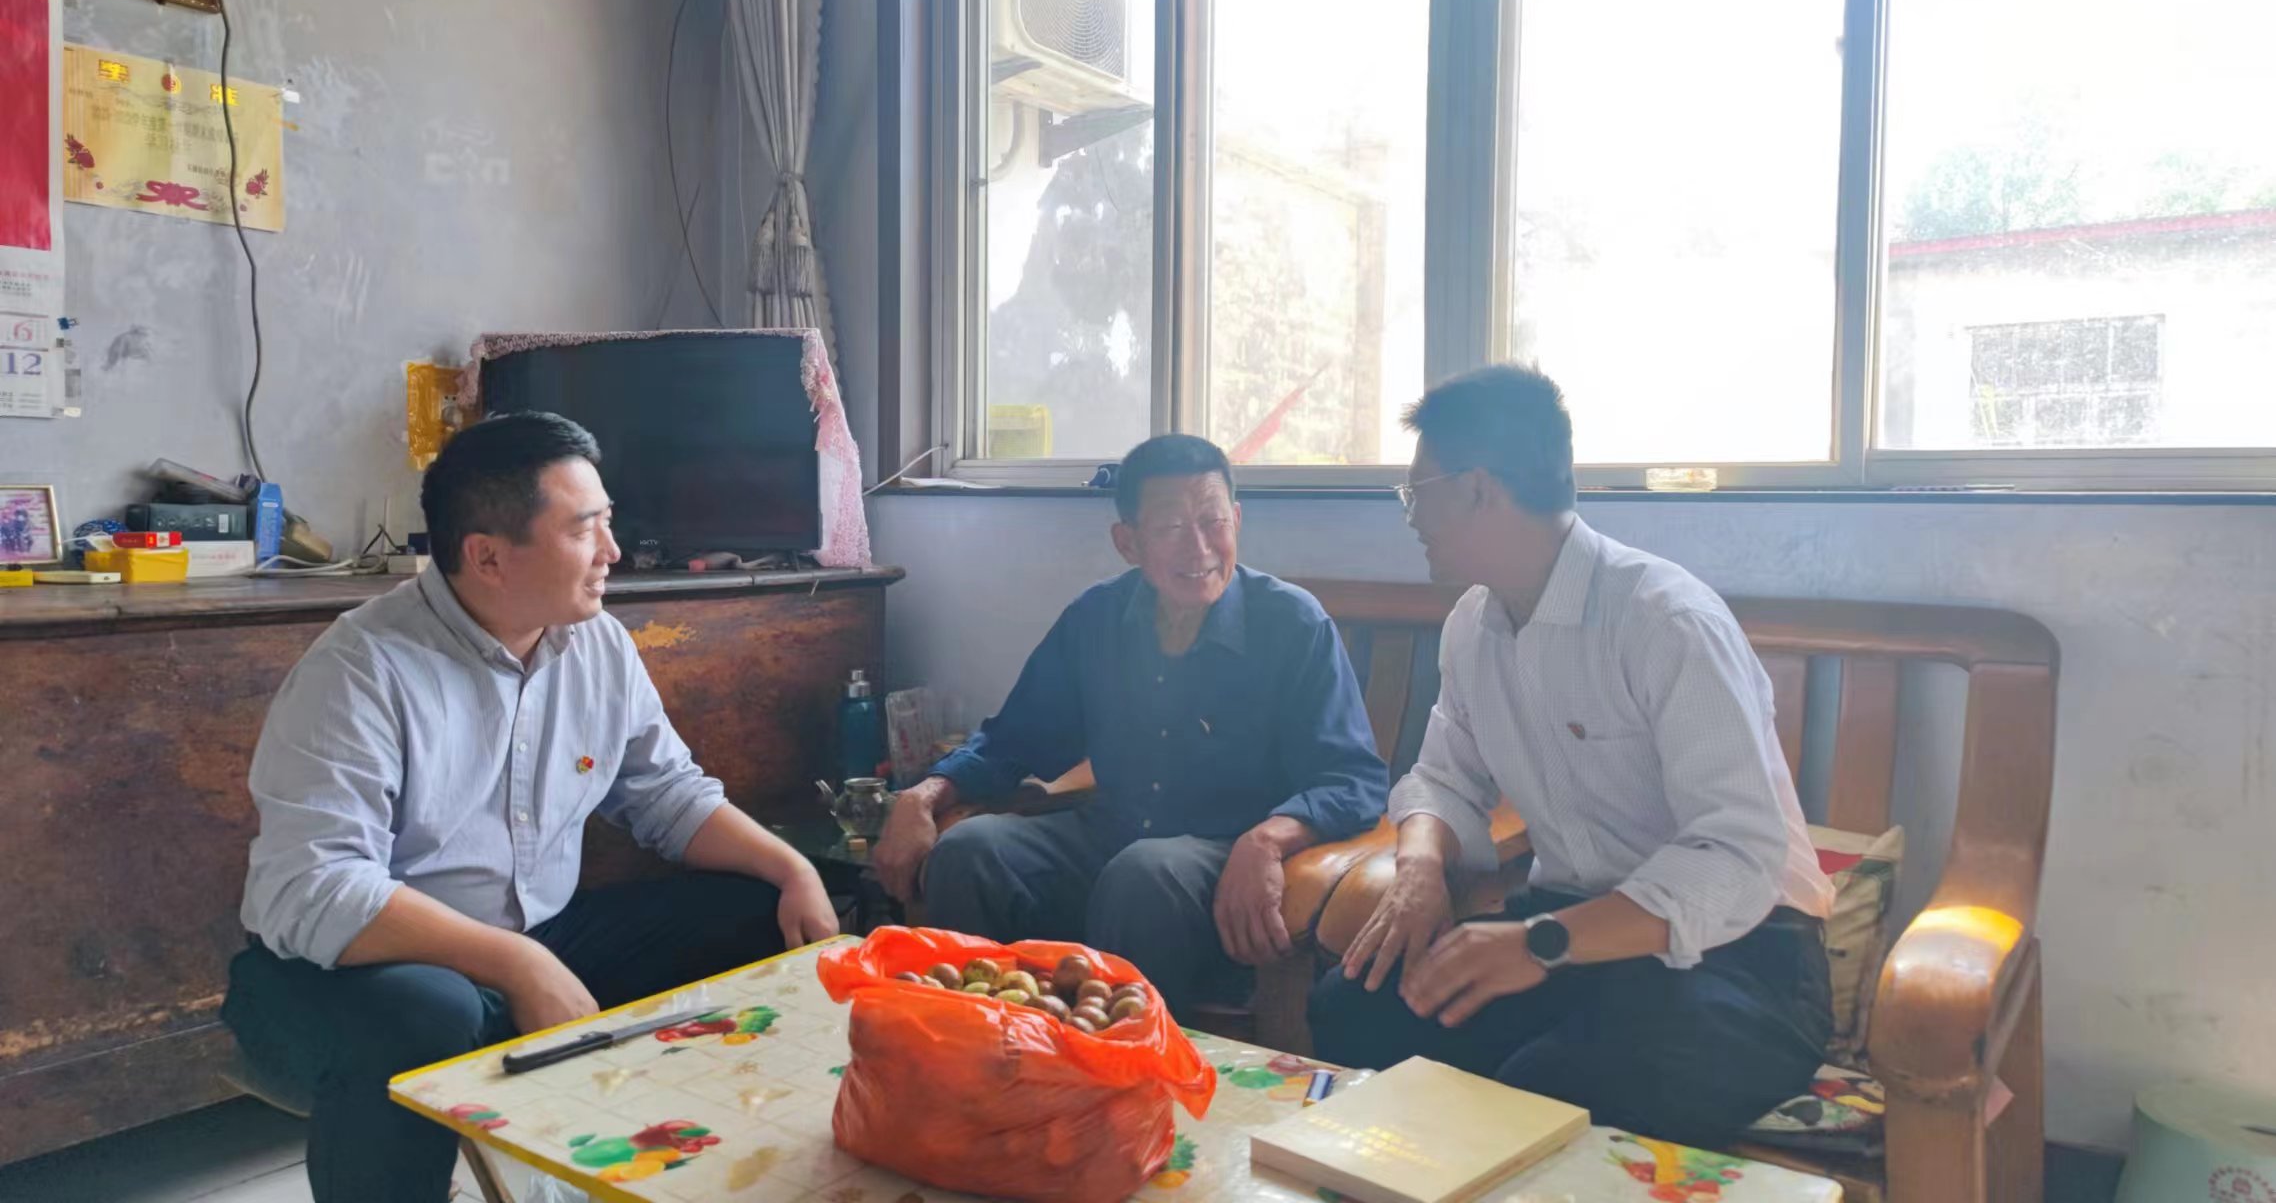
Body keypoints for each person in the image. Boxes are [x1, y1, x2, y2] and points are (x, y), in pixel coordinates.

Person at [222, 413, 839, 1202]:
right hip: (348, 975)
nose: (612, 552)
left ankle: (704, 1176)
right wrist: (519, 963)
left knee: (759, 912)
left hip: (534, 936)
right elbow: (315, 888)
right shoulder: (361, 670)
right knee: (428, 1012)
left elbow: (667, 795)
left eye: (607, 523)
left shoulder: (596, 644)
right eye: (585, 530)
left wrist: (792, 869)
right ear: (487, 556)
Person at [1307, 366, 1836, 1148]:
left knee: (1549, 1086)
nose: (1411, 518)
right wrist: (1419, 867)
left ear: (1478, 490)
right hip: (1567, 939)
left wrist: (1539, 943)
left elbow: (1736, 855)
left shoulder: (1664, 620)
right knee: (1355, 1009)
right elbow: (1444, 778)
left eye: (1417, 494)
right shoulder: (1473, 626)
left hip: (1739, 959)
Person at [872, 434, 1389, 1015]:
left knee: (1143, 873)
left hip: (1223, 859)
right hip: (1110, 836)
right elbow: (1014, 739)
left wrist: (1267, 838)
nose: (1199, 547)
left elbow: (1353, 779)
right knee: (968, 850)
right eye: (1171, 527)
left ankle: (1124, 1058)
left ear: (1237, 520)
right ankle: (980, 1040)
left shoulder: (1292, 624)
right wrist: (922, 795)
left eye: (1213, 521)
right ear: (1128, 542)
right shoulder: (1097, 618)